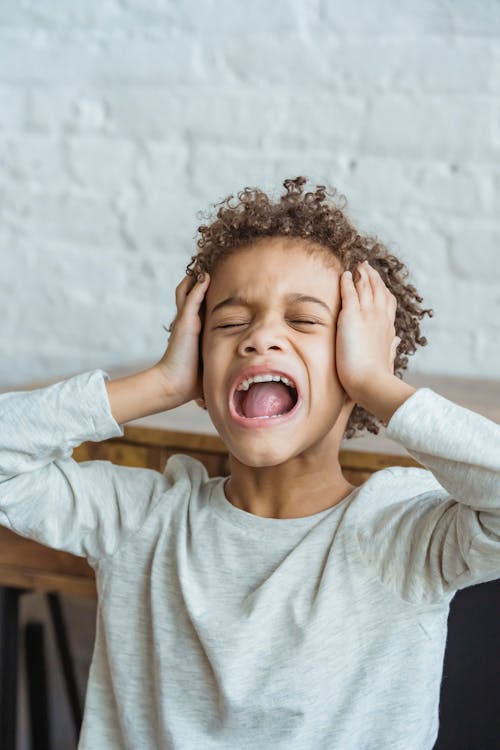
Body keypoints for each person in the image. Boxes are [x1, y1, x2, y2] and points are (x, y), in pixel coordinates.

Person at [1, 176, 499, 749]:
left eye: (305, 321)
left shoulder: (399, 534)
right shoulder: (141, 520)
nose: (261, 337)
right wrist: (160, 384)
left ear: (355, 356)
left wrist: (376, 383)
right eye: (230, 323)